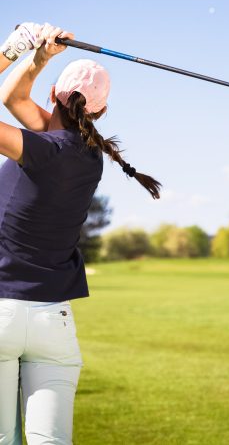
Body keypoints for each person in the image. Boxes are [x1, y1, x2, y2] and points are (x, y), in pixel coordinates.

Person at [0, 23, 161, 444]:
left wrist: (16, 51)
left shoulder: (39, 147)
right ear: (101, 112)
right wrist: (38, 58)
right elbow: (14, 101)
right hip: (54, 321)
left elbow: (13, 98)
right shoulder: (91, 158)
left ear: (54, 93)